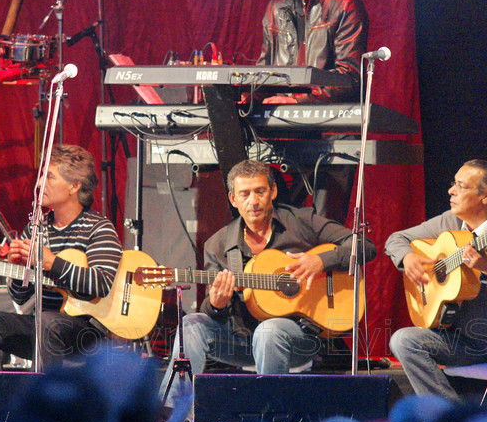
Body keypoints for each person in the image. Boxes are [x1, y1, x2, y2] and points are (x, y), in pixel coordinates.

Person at [161, 160, 376, 404]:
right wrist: (217, 305)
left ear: (272, 192)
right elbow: (213, 313)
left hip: (299, 339)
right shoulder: (219, 245)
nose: (253, 201)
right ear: (233, 199)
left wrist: (320, 261)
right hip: (242, 343)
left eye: (259, 191)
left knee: (269, 331)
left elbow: (364, 246)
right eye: (244, 194)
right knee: (192, 324)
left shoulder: (302, 222)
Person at [386, 159, 487, 401]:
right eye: (453, 183)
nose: (451, 191)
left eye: (461, 186)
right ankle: (450, 416)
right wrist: (408, 257)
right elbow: (395, 240)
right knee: (403, 340)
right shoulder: (448, 223)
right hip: (467, 340)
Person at [0, 145, 123, 371]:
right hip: (43, 327)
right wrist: (20, 272)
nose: (39, 184)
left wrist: (52, 263)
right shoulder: (36, 229)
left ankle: (41, 401)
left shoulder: (98, 228)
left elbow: (101, 283)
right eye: (41, 176)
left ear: (74, 186)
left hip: (87, 331)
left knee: (47, 322)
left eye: (49, 177)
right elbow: (20, 298)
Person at [257, 0, 368, 104]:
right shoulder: (276, 8)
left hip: (327, 120)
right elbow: (264, 73)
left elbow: (349, 78)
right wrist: (244, 98)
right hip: (281, 116)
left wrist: (298, 100)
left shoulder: (346, 5)